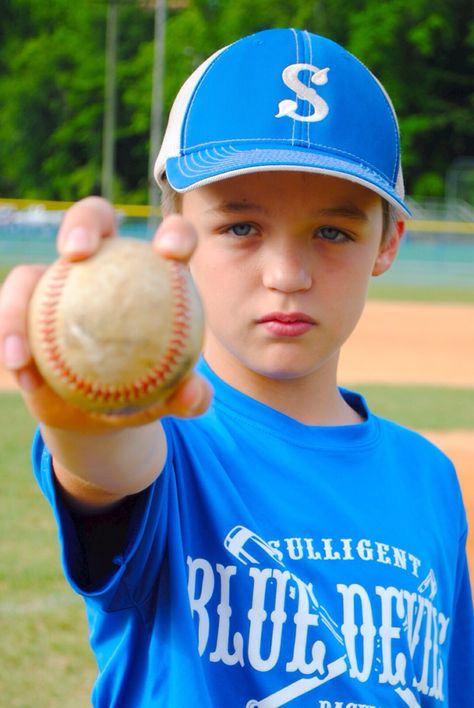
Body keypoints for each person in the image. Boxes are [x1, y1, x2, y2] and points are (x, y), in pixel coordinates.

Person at [0, 27, 472, 707]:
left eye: (333, 232)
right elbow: (109, 462)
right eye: (241, 227)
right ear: (176, 224)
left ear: (388, 240)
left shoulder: (428, 479)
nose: (287, 275)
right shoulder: (170, 444)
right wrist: (90, 419)